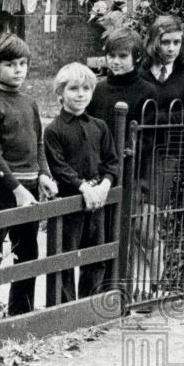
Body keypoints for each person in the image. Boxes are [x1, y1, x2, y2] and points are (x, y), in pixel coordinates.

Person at [0, 34, 57, 317]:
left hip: (29, 187)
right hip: (2, 188)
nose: (18, 69)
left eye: (22, 63)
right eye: (10, 64)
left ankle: (20, 314)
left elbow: (38, 144)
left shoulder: (29, 102)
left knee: (27, 253)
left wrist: (43, 175)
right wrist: (16, 189)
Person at [89, 28, 163, 300]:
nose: (116, 61)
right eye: (111, 55)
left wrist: (140, 179)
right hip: (101, 173)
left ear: (136, 58)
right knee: (104, 232)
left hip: (132, 172)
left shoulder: (147, 91)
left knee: (131, 232)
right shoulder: (98, 91)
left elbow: (149, 140)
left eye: (122, 56)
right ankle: (106, 291)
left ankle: (134, 289)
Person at [44, 63, 120, 302]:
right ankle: (63, 310)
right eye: (74, 89)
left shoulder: (99, 126)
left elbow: (112, 161)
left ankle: (90, 306)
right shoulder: (54, 130)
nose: (81, 94)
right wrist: (83, 187)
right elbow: (59, 167)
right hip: (69, 203)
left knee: (95, 257)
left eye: (86, 88)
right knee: (65, 258)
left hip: (97, 199)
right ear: (60, 93)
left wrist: (105, 184)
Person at [141, 15, 184, 124]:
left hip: (177, 139)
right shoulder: (141, 72)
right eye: (165, 42)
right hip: (145, 139)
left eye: (176, 42)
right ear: (154, 43)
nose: (171, 49)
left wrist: (154, 118)